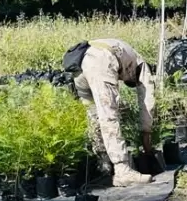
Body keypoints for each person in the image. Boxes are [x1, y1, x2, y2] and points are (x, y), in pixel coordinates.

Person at [66, 39, 155, 187]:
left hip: (80, 67)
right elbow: (147, 102)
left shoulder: (126, 52)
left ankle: (104, 165)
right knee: (109, 116)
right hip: (101, 62)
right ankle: (122, 171)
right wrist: (146, 133)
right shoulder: (141, 66)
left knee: (94, 116)